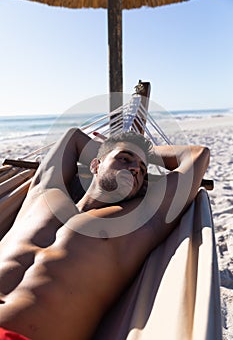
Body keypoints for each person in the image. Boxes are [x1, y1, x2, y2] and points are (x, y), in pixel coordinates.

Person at [0, 128, 210, 340]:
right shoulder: (43, 196)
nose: (136, 168)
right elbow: (73, 137)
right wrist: (119, 147)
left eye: (143, 170)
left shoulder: (136, 223)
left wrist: (141, 153)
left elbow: (197, 155)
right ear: (95, 164)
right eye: (126, 159)